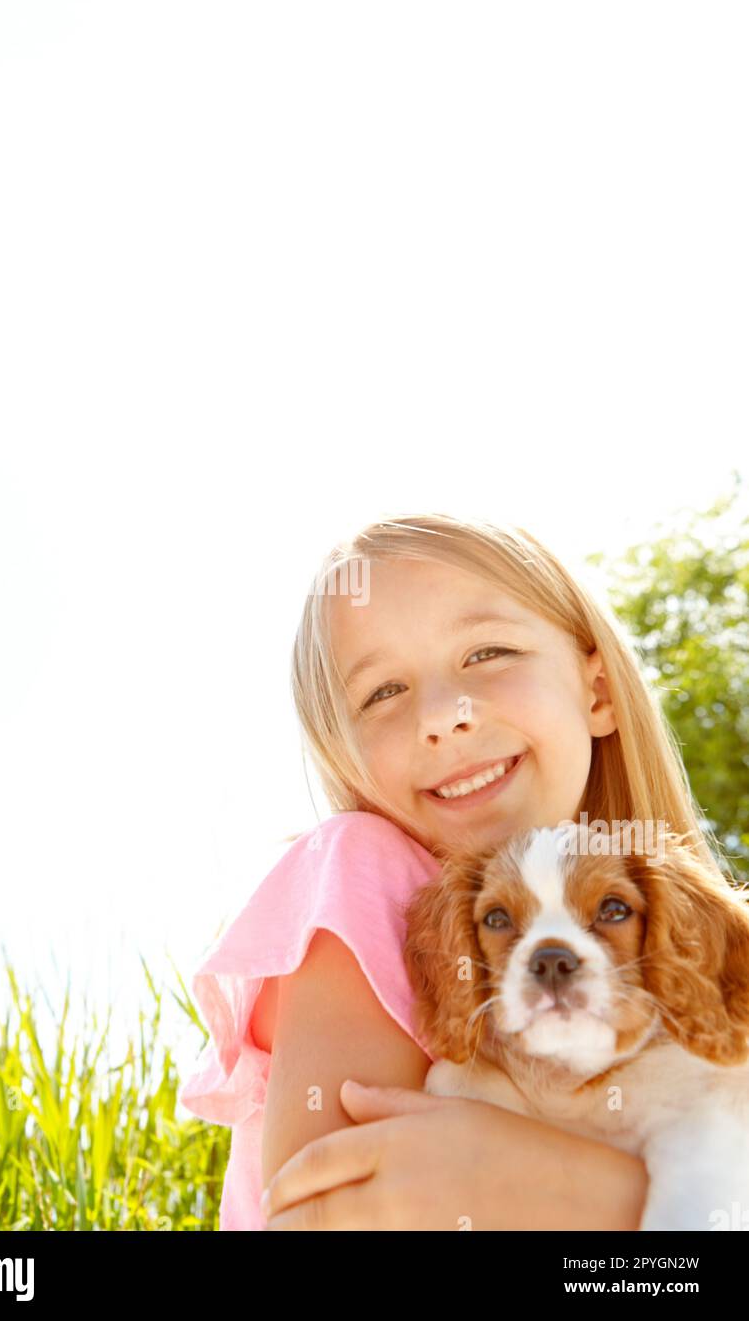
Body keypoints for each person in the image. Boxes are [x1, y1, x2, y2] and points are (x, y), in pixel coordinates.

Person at [179, 513, 727, 1230]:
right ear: (348, 761)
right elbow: (325, 1212)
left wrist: (565, 1191)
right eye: (382, 693)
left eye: (488, 652)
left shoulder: (692, 945)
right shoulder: (364, 873)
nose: (443, 715)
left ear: (597, 693)